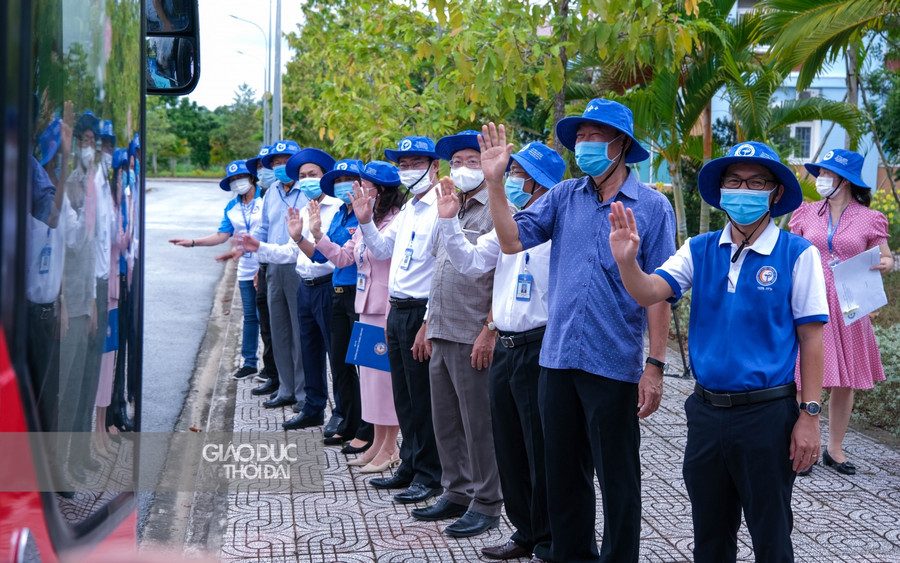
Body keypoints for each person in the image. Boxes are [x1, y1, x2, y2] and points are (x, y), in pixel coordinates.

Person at [609, 140, 827, 562]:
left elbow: (811, 340)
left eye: (755, 182)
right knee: (709, 533)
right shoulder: (700, 248)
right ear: (721, 189)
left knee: (771, 533)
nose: (743, 190)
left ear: (775, 192)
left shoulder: (798, 254)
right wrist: (627, 263)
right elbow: (649, 291)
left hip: (767, 415)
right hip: (707, 413)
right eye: (734, 181)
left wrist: (809, 416)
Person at [482, 99, 675, 562]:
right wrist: (494, 184)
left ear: (622, 144)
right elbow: (511, 240)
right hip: (557, 359)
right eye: (581, 137)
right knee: (563, 477)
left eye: (595, 136)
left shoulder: (652, 207)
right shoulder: (565, 195)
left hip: (612, 364)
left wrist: (655, 366)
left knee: (617, 480)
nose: (585, 145)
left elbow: (661, 292)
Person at [436, 141, 564, 559]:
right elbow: (471, 262)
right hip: (507, 346)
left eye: (516, 174)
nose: (510, 181)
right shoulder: (507, 224)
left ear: (538, 183)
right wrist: (450, 224)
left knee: (537, 449)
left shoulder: (554, 231)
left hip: (538, 347)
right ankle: (524, 532)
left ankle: (547, 538)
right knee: (508, 446)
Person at [407, 130, 503, 538]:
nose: (462, 168)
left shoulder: (497, 210)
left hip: (473, 332)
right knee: (445, 420)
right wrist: (427, 321)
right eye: (456, 162)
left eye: (471, 160)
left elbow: (499, 276)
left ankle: (487, 502)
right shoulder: (450, 206)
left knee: (477, 423)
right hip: (443, 327)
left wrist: (489, 329)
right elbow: (439, 270)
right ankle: (456, 489)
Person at [789, 149, 893, 476]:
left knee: (844, 380)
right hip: (809, 300)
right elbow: (789, 252)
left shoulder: (869, 218)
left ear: (844, 180)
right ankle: (804, 446)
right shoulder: (804, 213)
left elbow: (886, 257)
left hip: (850, 302)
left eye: (827, 173)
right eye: (820, 172)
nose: (820, 179)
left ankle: (834, 449)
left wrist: (884, 264)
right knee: (802, 375)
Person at [352, 135, 443, 504]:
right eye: (403, 165)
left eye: (417, 163)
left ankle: (429, 474)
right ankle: (409, 463)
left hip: (421, 310)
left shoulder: (443, 207)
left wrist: (429, 320)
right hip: (397, 308)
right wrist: (365, 223)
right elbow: (382, 250)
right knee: (403, 396)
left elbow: (442, 269)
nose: (409, 171)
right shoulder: (408, 210)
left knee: (423, 400)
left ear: (435, 166)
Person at [314, 160, 405, 471]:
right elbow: (343, 258)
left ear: (380, 192)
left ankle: (391, 447)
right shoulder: (367, 220)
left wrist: (365, 221)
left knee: (384, 382)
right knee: (368, 379)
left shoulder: (394, 221)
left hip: (384, 308)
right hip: (364, 307)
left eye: (364, 186)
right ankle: (378, 443)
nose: (357, 191)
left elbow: (381, 252)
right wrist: (317, 236)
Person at [171, 160, 263, 380]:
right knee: (250, 317)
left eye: (240, 177)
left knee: (271, 320)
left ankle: (275, 369)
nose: (237, 182)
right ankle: (250, 363)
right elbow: (222, 235)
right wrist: (193, 242)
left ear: (251, 178)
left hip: (269, 266)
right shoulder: (233, 206)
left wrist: (264, 267)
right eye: (232, 180)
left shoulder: (266, 198)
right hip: (245, 267)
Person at [303, 158, 372, 450]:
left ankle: (368, 430)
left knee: (365, 365)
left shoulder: (367, 214)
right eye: (339, 180)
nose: (344, 185)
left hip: (362, 294)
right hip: (339, 292)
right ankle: (349, 423)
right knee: (341, 364)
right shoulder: (341, 215)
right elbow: (322, 256)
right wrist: (303, 237)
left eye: (349, 178)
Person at [250, 140, 306, 410]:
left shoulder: (306, 190)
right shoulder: (271, 190)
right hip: (273, 267)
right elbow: (263, 229)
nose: (279, 166)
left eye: (285, 160)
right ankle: (285, 388)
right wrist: (259, 265)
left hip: (300, 266)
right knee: (278, 329)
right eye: (274, 162)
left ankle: (303, 392)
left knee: (299, 332)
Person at [245, 145, 279, 397]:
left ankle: (284, 379)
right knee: (267, 325)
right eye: (261, 167)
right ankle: (272, 374)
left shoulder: (292, 194)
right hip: (266, 266)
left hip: (287, 266)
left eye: (268, 166)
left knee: (283, 328)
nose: (265, 171)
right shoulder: (269, 195)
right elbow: (263, 232)